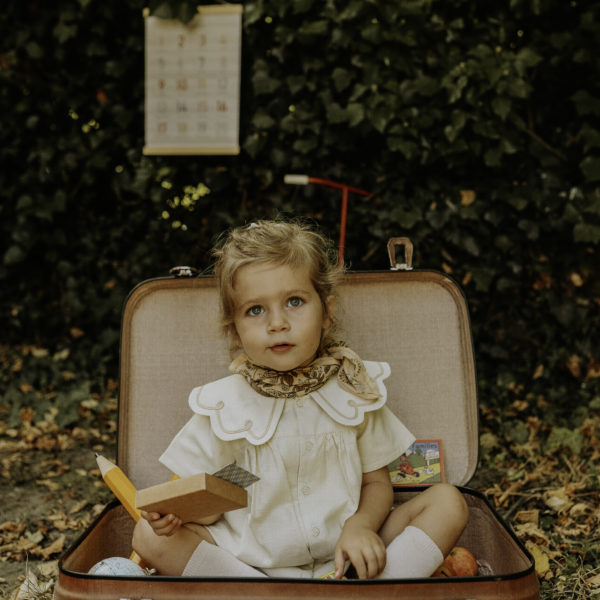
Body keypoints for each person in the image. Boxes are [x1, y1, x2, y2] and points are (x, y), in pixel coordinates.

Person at [132, 219, 468, 579]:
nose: (277, 323)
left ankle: (373, 592)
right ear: (235, 331)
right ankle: (262, 596)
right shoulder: (225, 408)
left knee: (448, 502)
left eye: (294, 302)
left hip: (347, 555)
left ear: (327, 312)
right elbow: (213, 502)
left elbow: (375, 484)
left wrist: (361, 526)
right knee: (148, 535)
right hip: (251, 567)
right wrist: (176, 515)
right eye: (255, 310)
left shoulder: (352, 390)